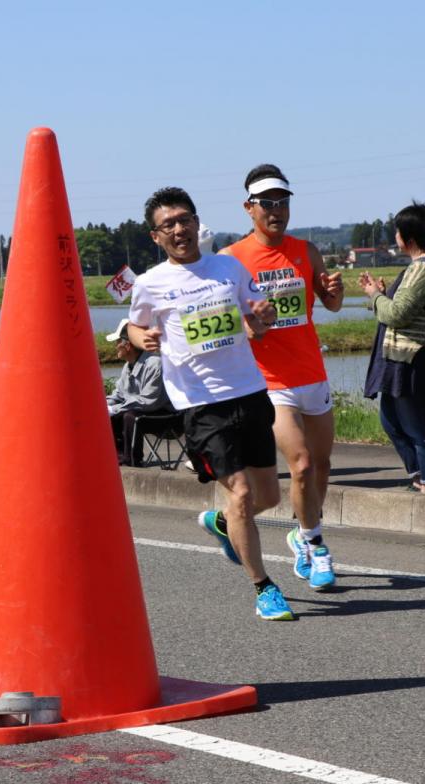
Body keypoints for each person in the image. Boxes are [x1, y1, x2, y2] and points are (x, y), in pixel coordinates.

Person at [127, 186, 291, 621]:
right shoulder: (149, 284)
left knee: (269, 497)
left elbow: (258, 322)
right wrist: (140, 338)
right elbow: (134, 327)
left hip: (250, 392)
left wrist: (262, 316)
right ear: (155, 236)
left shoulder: (228, 268)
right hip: (200, 405)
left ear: (198, 222)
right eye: (169, 225)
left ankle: (223, 525)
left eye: (185, 220)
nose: (179, 230)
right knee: (239, 494)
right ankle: (264, 587)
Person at [223, 165, 344, 591]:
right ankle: (316, 543)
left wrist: (335, 291)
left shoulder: (305, 250)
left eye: (283, 201)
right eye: (267, 203)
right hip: (271, 380)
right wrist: (251, 324)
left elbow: (328, 303)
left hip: (312, 372)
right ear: (249, 208)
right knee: (302, 464)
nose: (277, 210)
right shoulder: (231, 259)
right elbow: (225, 324)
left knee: (322, 467)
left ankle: (301, 531)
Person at [359, 202, 425, 494]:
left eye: (397, 232)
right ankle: (418, 477)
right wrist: (383, 294)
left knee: (420, 427)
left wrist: (375, 296)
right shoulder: (420, 268)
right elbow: (405, 308)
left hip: (417, 359)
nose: (395, 236)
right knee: (392, 422)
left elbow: (397, 315)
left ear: (407, 237)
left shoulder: (423, 269)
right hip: (403, 358)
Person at [105, 318, 170, 465]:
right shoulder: (127, 366)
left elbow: (149, 402)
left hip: (166, 416)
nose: (115, 347)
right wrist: (102, 406)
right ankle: (117, 458)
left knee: (130, 416)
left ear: (127, 345)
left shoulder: (155, 364)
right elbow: (119, 395)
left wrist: (114, 409)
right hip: (144, 411)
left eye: (117, 343)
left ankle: (132, 460)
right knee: (111, 415)